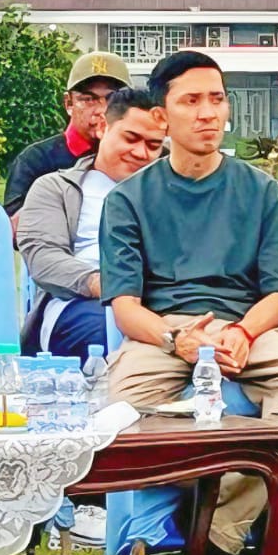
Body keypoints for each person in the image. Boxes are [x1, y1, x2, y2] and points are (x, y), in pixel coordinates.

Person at [101, 50, 278, 555]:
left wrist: (244, 333)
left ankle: (219, 524)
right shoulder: (128, 200)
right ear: (162, 117)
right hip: (163, 333)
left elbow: (277, 294)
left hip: (244, 327)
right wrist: (177, 339)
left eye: (217, 99)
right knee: (117, 413)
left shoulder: (260, 191)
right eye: (192, 100)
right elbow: (125, 308)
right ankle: (174, 513)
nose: (208, 112)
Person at [17, 87, 166, 358]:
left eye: (153, 145)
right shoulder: (56, 188)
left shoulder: (171, 195)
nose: (141, 152)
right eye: (130, 138)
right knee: (116, 336)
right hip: (82, 302)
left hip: (163, 302)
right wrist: (114, 288)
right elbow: (44, 258)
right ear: (102, 128)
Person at [3, 51, 132, 222]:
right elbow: (13, 230)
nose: (101, 110)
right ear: (69, 103)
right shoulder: (35, 160)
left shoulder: (144, 156)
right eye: (88, 99)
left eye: (113, 99)